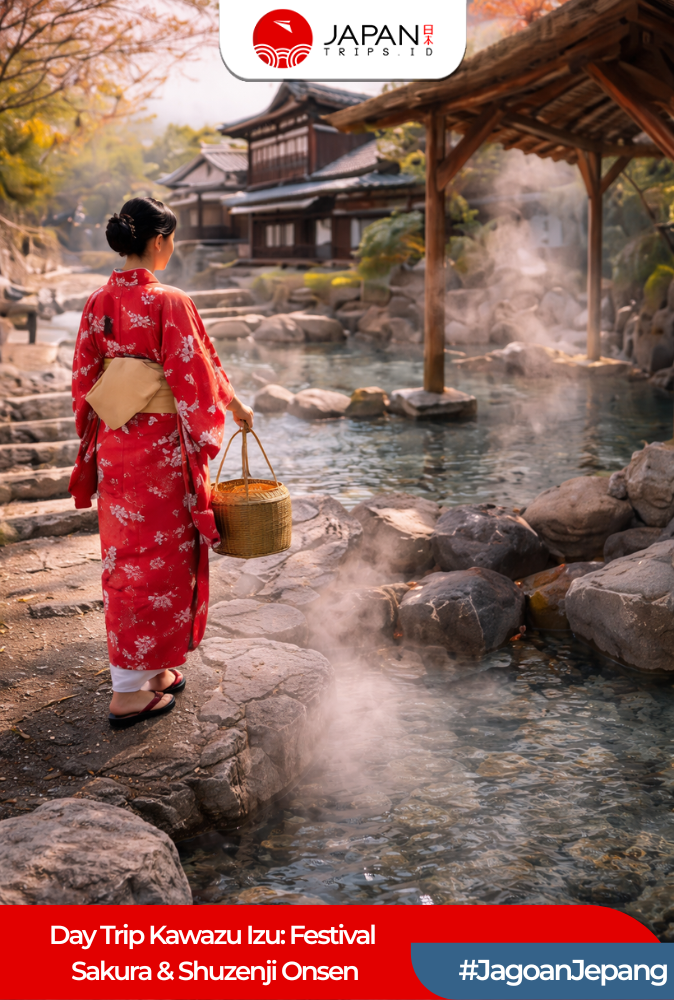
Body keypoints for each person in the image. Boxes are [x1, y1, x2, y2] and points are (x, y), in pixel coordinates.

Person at [69, 197, 253, 729]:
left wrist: (96, 436)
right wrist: (213, 428)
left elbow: (84, 383)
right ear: (158, 241)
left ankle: (152, 673)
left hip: (116, 444)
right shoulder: (169, 301)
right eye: (172, 239)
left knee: (126, 561)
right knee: (162, 563)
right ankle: (127, 691)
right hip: (162, 454)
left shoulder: (97, 302)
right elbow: (193, 374)